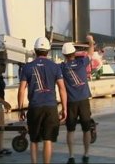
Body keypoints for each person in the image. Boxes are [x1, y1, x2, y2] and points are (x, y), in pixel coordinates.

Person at [17, 37, 67, 164]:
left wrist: (20, 108)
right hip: (51, 107)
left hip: (34, 107)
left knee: (34, 140)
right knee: (48, 140)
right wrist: (64, 108)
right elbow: (62, 88)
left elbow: (21, 90)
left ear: (35, 51)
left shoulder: (27, 67)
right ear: (48, 51)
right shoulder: (55, 67)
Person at [60, 35, 95, 164]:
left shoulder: (62, 68)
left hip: (71, 102)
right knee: (86, 128)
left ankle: (71, 155)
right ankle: (86, 154)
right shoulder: (82, 62)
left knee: (70, 130)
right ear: (74, 53)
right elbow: (91, 53)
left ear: (64, 55)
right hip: (84, 100)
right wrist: (90, 42)